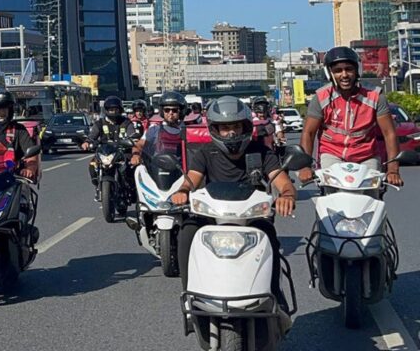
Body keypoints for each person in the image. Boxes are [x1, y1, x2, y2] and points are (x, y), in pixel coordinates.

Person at [170, 96, 297, 310]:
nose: (231, 133)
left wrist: (287, 195)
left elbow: (281, 180)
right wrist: (182, 191)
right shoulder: (205, 152)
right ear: (215, 130)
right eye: (225, 127)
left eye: (236, 126)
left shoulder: (262, 152)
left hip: (251, 218)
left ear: (245, 127)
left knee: (270, 238)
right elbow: (192, 178)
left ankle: (275, 295)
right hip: (212, 218)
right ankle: (190, 296)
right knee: (186, 233)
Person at [298, 46, 403, 186]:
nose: (344, 75)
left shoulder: (375, 96)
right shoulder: (321, 97)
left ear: (357, 70)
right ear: (329, 73)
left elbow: (389, 133)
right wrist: (305, 166)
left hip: (366, 157)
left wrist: (393, 170)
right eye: (337, 71)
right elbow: (308, 133)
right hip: (332, 156)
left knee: (372, 198)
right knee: (331, 198)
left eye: (349, 69)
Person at [81, 96, 137, 200]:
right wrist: (87, 143)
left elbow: (132, 136)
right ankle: (98, 187)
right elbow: (92, 136)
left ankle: (131, 189)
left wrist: (131, 141)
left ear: (120, 110)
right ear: (106, 110)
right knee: (92, 165)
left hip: (122, 153)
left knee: (132, 167)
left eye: (115, 109)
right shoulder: (99, 124)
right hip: (105, 153)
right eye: (111, 109)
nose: (113, 112)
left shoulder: (126, 122)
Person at [130, 91, 188, 167]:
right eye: (167, 110)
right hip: (156, 171)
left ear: (180, 112)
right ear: (162, 111)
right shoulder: (153, 129)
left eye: (174, 110)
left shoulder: (186, 130)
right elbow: (139, 145)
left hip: (180, 172)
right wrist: (136, 155)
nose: (170, 113)